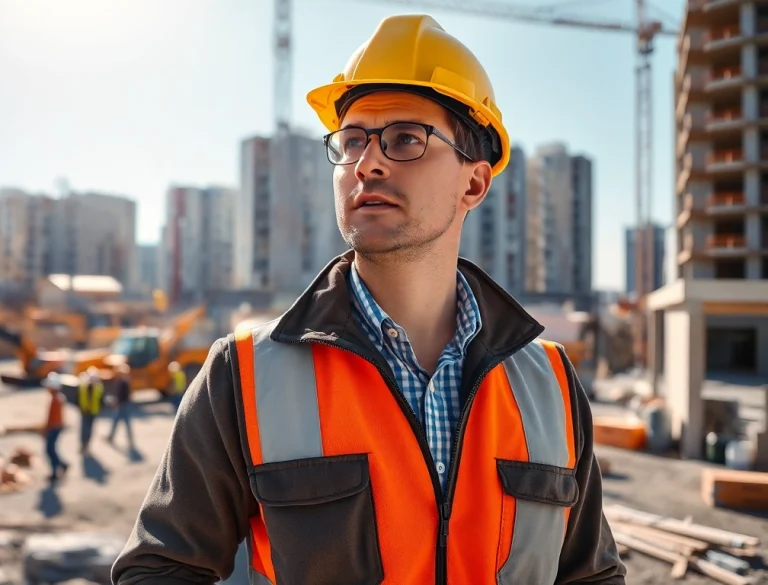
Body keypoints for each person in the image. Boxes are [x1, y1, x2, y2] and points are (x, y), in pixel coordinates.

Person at [111, 13, 626, 585]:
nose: (367, 163)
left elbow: (591, 576)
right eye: (352, 140)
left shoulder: (549, 383)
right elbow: (160, 570)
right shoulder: (243, 376)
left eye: (406, 138)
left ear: (474, 183)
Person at [42, 373, 69, 482]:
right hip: (57, 426)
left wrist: (45, 430)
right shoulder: (59, 398)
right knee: (52, 449)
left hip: (54, 428)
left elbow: (51, 418)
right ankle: (61, 465)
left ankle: (55, 472)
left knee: (50, 450)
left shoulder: (55, 400)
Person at [106, 363, 134, 450]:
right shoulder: (124, 381)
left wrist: (117, 403)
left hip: (123, 404)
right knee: (121, 421)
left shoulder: (123, 382)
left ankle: (112, 436)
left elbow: (122, 395)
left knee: (121, 421)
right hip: (124, 404)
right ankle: (112, 436)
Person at [77, 367, 105, 455]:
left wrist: (100, 409)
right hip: (85, 411)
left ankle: (87, 445)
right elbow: (78, 398)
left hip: (93, 411)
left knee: (89, 429)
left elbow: (101, 400)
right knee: (84, 428)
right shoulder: (83, 386)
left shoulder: (98, 387)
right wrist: (80, 407)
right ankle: (83, 444)